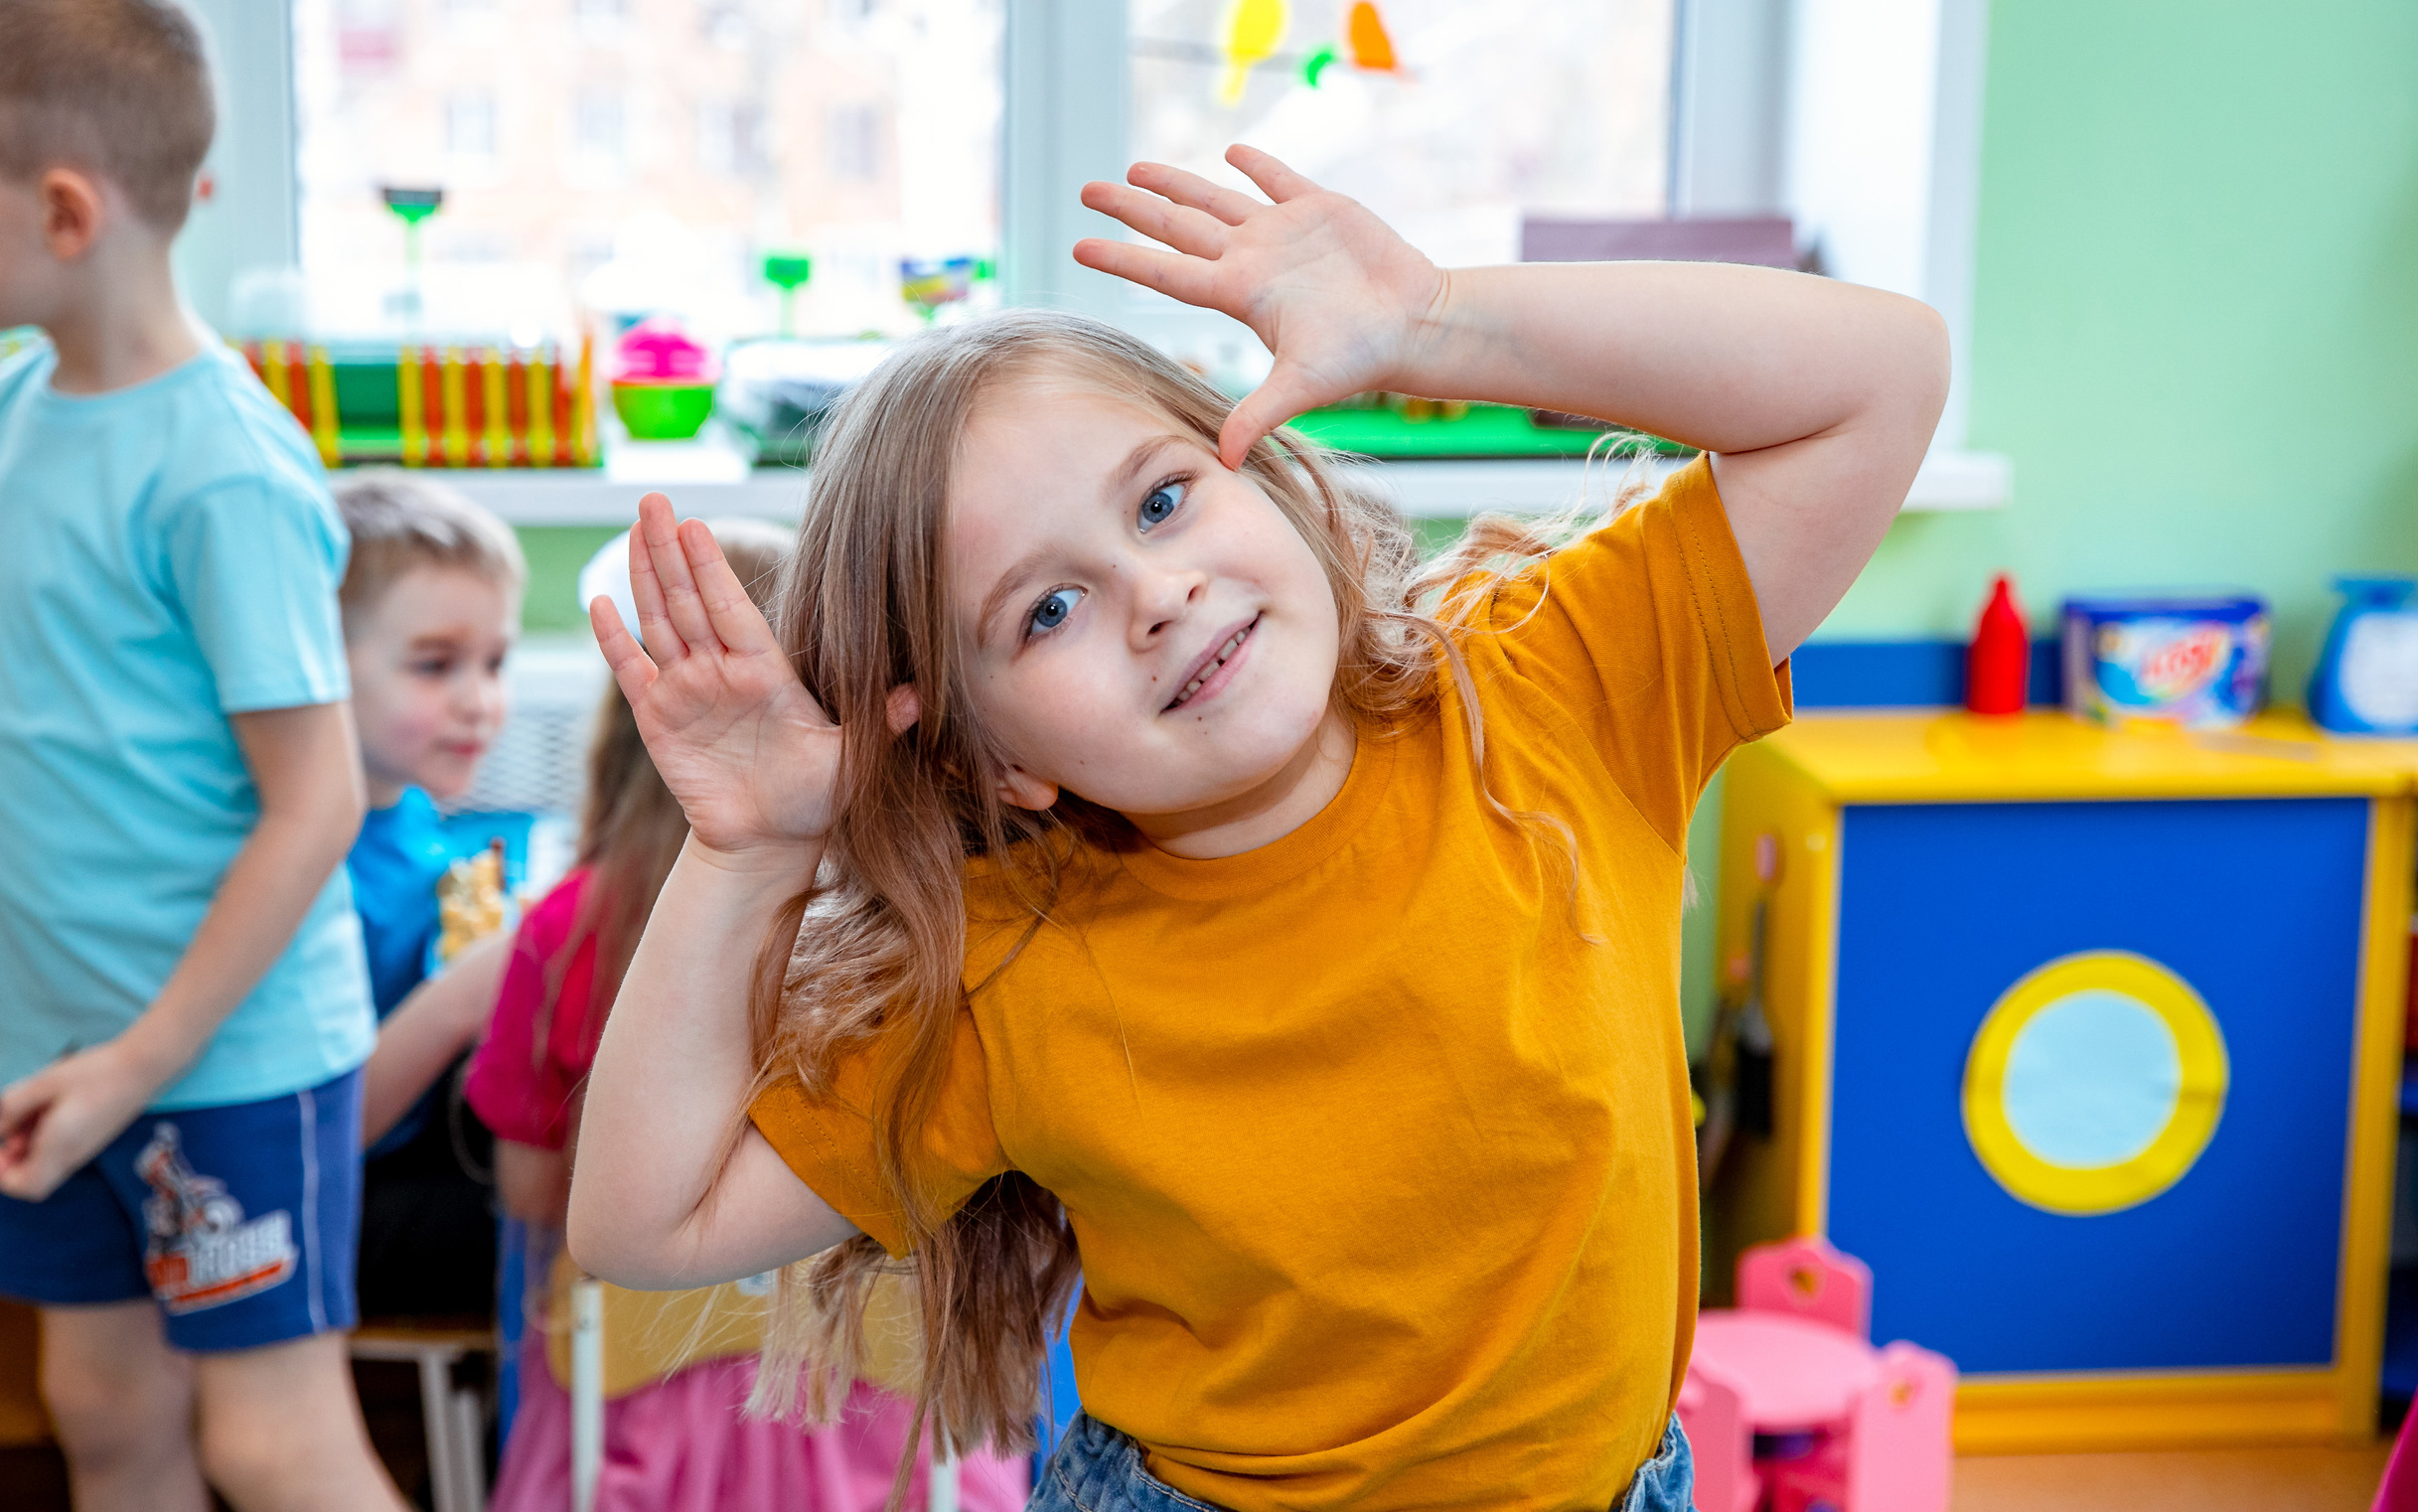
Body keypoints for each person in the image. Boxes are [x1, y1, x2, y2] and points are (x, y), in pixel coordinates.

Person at [571, 144, 1947, 1512]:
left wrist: (1433, 320)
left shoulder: (1549, 684)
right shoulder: (1009, 966)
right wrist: (750, 850)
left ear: (1273, 473)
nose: (1156, 592)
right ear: (998, 762)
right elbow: (641, 1220)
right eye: (1046, 610)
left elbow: (1883, 377)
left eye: (1163, 498)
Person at [0, 0, 402, 1510]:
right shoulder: (5, 417)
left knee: (269, 1439)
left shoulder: (225, 470)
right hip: (60, 1041)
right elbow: (24, 730)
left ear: (62, 212)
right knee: (102, 1409)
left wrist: (142, 1061)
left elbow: (313, 807)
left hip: (223, 1056)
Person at [466, 520, 1031, 1512]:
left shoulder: (568, 923)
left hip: (632, 1433)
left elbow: (525, 1192)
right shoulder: (929, 925)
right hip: (892, 1443)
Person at [336, 473, 528, 1320]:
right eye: (434, 664)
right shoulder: (310, 870)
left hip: (414, 1158)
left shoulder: (404, 805)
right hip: (335, 1205)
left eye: (494, 662)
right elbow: (323, 1132)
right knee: (572, 1221)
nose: (479, 699)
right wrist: (465, 994)